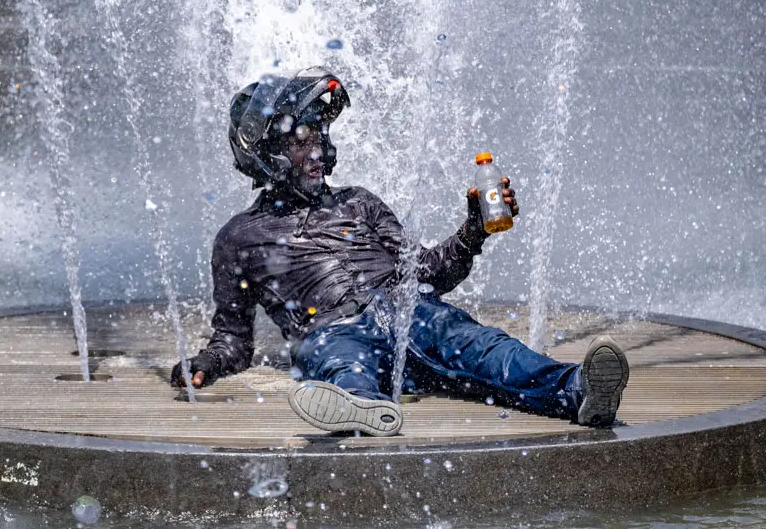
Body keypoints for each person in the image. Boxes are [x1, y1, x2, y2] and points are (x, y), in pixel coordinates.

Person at [170, 66, 629, 436]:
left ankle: (580, 390)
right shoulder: (239, 238)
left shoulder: (359, 202)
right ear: (264, 152)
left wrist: (474, 230)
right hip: (331, 330)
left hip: (408, 310)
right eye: (300, 141)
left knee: (485, 347)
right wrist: (205, 365)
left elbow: (426, 271)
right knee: (340, 363)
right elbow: (233, 339)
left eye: (319, 138)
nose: (316, 152)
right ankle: (361, 407)